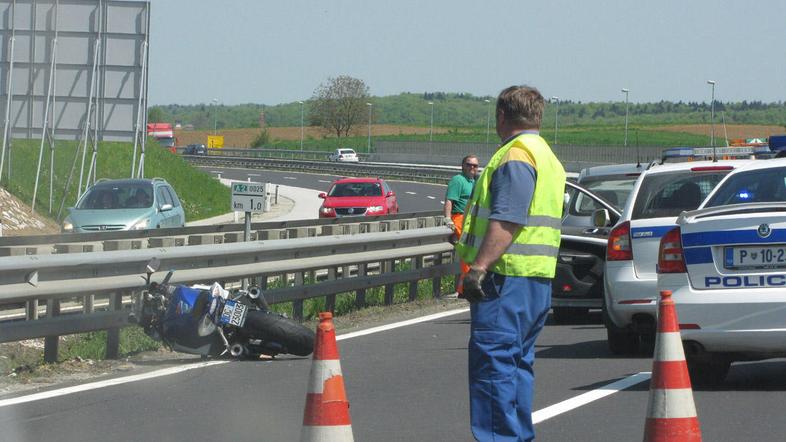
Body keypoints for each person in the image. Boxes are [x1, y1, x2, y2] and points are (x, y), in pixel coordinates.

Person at [456, 85, 566, 441]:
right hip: (535, 280)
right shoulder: (547, 155)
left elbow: (508, 219)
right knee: (516, 368)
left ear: (502, 117)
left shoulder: (516, 155)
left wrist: (479, 266)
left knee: (493, 370)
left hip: (505, 280)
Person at [444, 154, 479, 295]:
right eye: (469, 164)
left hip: (472, 220)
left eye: (475, 165)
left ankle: (467, 287)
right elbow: (449, 200)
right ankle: (464, 289)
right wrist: (448, 218)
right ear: (463, 166)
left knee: (472, 254)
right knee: (466, 254)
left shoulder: (475, 181)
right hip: (459, 218)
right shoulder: (458, 180)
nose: (472, 167)